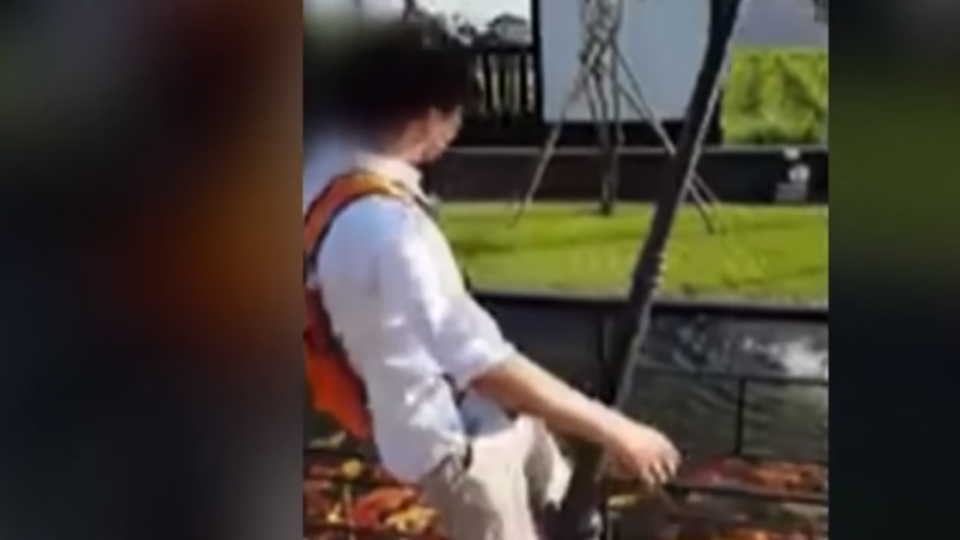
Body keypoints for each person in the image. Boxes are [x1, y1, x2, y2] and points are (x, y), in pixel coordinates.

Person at [305, 22, 680, 540]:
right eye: (456, 114)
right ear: (430, 118)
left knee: (574, 519)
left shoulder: (332, 199)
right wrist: (616, 429)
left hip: (488, 421)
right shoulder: (390, 230)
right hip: (460, 445)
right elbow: (480, 364)